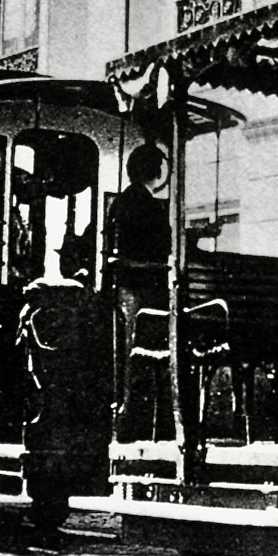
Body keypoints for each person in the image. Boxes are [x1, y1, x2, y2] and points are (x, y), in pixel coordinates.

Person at [107, 145, 171, 439]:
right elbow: (159, 249)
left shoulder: (123, 202)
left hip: (128, 289)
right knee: (142, 356)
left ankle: (131, 419)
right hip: (144, 289)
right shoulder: (145, 204)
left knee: (131, 357)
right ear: (157, 171)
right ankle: (138, 423)